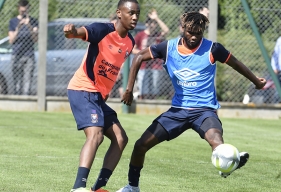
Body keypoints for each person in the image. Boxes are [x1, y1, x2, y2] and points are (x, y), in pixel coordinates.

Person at [117, 11, 267, 192]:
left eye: (199, 32)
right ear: (182, 29)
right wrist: (129, 89)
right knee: (141, 145)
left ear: (203, 30)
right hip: (177, 111)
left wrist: (256, 81)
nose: (194, 36)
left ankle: (227, 161)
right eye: (190, 32)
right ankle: (132, 187)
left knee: (216, 140)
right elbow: (139, 56)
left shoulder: (213, 49)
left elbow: (236, 64)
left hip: (204, 110)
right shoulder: (168, 47)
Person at [64, 0, 140, 191]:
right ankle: (78, 187)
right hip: (82, 88)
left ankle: (97, 188)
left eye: (137, 13)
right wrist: (71, 31)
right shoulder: (102, 30)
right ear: (119, 13)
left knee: (121, 138)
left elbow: (112, 68)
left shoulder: (130, 42)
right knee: (96, 135)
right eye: (130, 13)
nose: (135, 17)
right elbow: (79, 33)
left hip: (97, 96)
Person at [133, 9, 169, 99]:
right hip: (143, 65)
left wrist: (156, 18)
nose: (152, 25)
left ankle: (153, 102)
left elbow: (166, 30)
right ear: (146, 24)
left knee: (154, 88)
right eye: (150, 23)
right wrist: (144, 54)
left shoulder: (158, 35)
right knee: (142, 88)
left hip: (156, 66)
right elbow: (133, 49)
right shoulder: (140, 35)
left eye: (154, 23)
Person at [8, 0, 38, 95]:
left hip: (29, 55)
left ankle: (26, 99)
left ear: (28, 9)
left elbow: (35, 39)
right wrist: (18, 27)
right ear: (18, 9)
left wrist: (29, 25)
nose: (24, 13)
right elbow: (11, 40)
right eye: (22, 11)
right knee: (17, 83)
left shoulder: (33, 21)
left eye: (25, 11)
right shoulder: (13, 22)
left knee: (27, 82)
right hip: (16, 55)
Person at [271, 36, 281, 102]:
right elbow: (275, 55)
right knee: (278, 94)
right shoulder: (280, 40)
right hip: (280, 72)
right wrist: (274, 67)